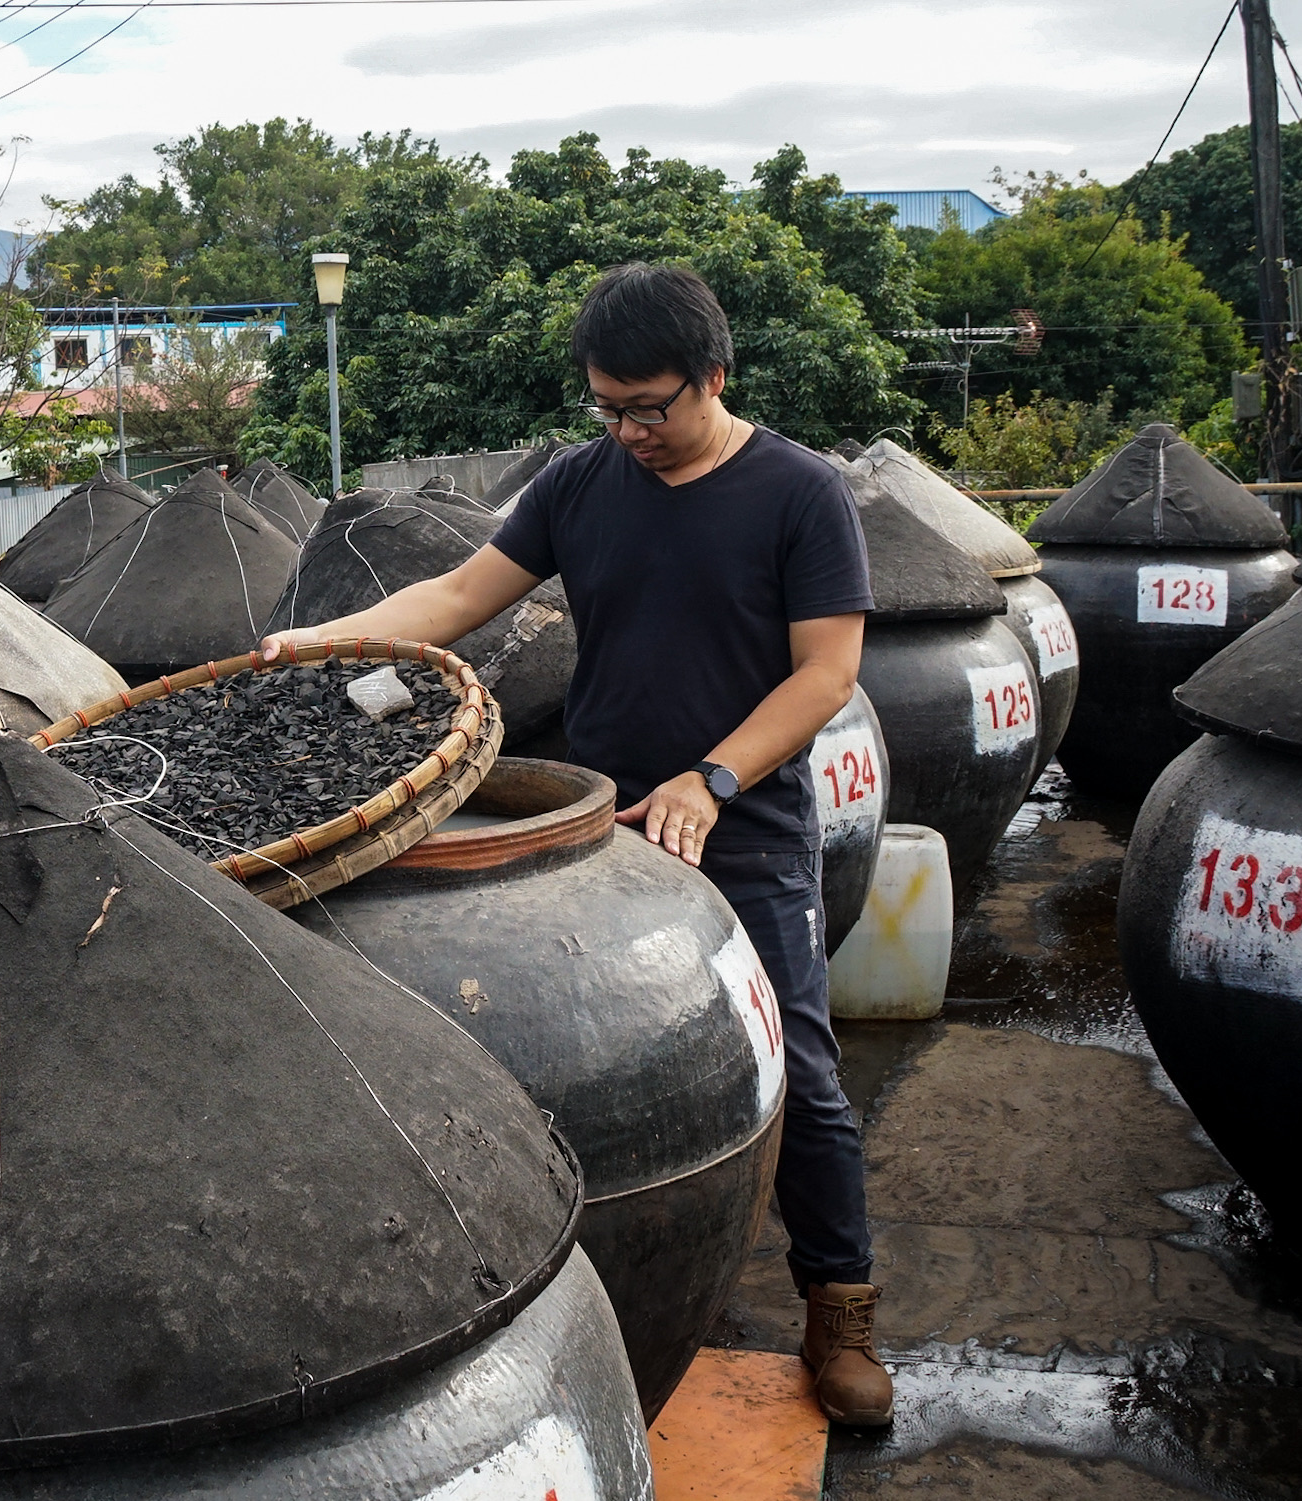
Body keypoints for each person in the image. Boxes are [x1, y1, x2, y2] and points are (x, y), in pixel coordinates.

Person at [261, 261, 892, 1426]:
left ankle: (839, 1311)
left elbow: (826, 674)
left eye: (650, 406)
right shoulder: (581, 482)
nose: (629, 431)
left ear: (714, 374)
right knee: (582, 1066)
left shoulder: (799, 493)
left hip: (736, 824)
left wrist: (713, 776)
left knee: (793, 1066)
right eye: (607, 407)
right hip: (600, 828)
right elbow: (455, 597)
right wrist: (316, 642)